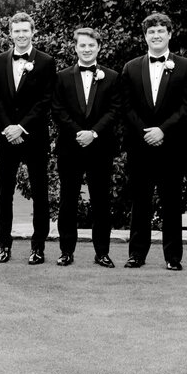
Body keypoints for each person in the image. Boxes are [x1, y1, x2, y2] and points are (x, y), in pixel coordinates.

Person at [120, 13, 187, 271]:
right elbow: (126, 106)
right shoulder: (131, 67)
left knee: (172, 203)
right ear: (145, 36)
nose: (156, 35)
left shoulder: (185, 66)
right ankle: (136, 254)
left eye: (161, 31)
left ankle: (173, 257)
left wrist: (163, 130)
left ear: (170, 34)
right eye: (151, 32)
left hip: (172, 145)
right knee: (140, 201)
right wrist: (146, 131)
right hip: (140, 146)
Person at [51, 28, 123, 267]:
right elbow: (57, 109)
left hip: (100, 147)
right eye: (82, 45)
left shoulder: (112, 77)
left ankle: (102, 252)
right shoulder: (61, 77)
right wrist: (77, 133)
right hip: (69, 148)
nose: (87, 49)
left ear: (99, 48)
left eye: (91, 45)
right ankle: (66, 251)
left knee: (101, 202)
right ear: (75, 48)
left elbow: (114, 110)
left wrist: (93, 133)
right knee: (68, 200)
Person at [0, 12, 57, 264]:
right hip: (7, 137)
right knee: (3, 194)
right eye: (16, 31)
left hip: (35, 136)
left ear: (33, 32)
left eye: (25, 31)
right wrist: (9, 127)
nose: (20, 35)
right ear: (11, 33)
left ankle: (38, 247)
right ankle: (3, 245)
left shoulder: (46, 61)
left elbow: (45, 100)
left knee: (40, 193)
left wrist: (22, 127)